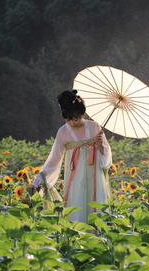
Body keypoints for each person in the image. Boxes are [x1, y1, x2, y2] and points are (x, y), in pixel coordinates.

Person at [31, 89, 112, 224]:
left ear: (82, 113)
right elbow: (54, 160)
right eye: (68, 120)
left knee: (96, 213)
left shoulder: (94, 127)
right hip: (75, 180)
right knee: (77, 211)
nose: (73, 123)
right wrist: (38, 179)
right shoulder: (63, 132)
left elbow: (106, 160)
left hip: (95, 179)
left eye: (75, 119)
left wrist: (100, 145)